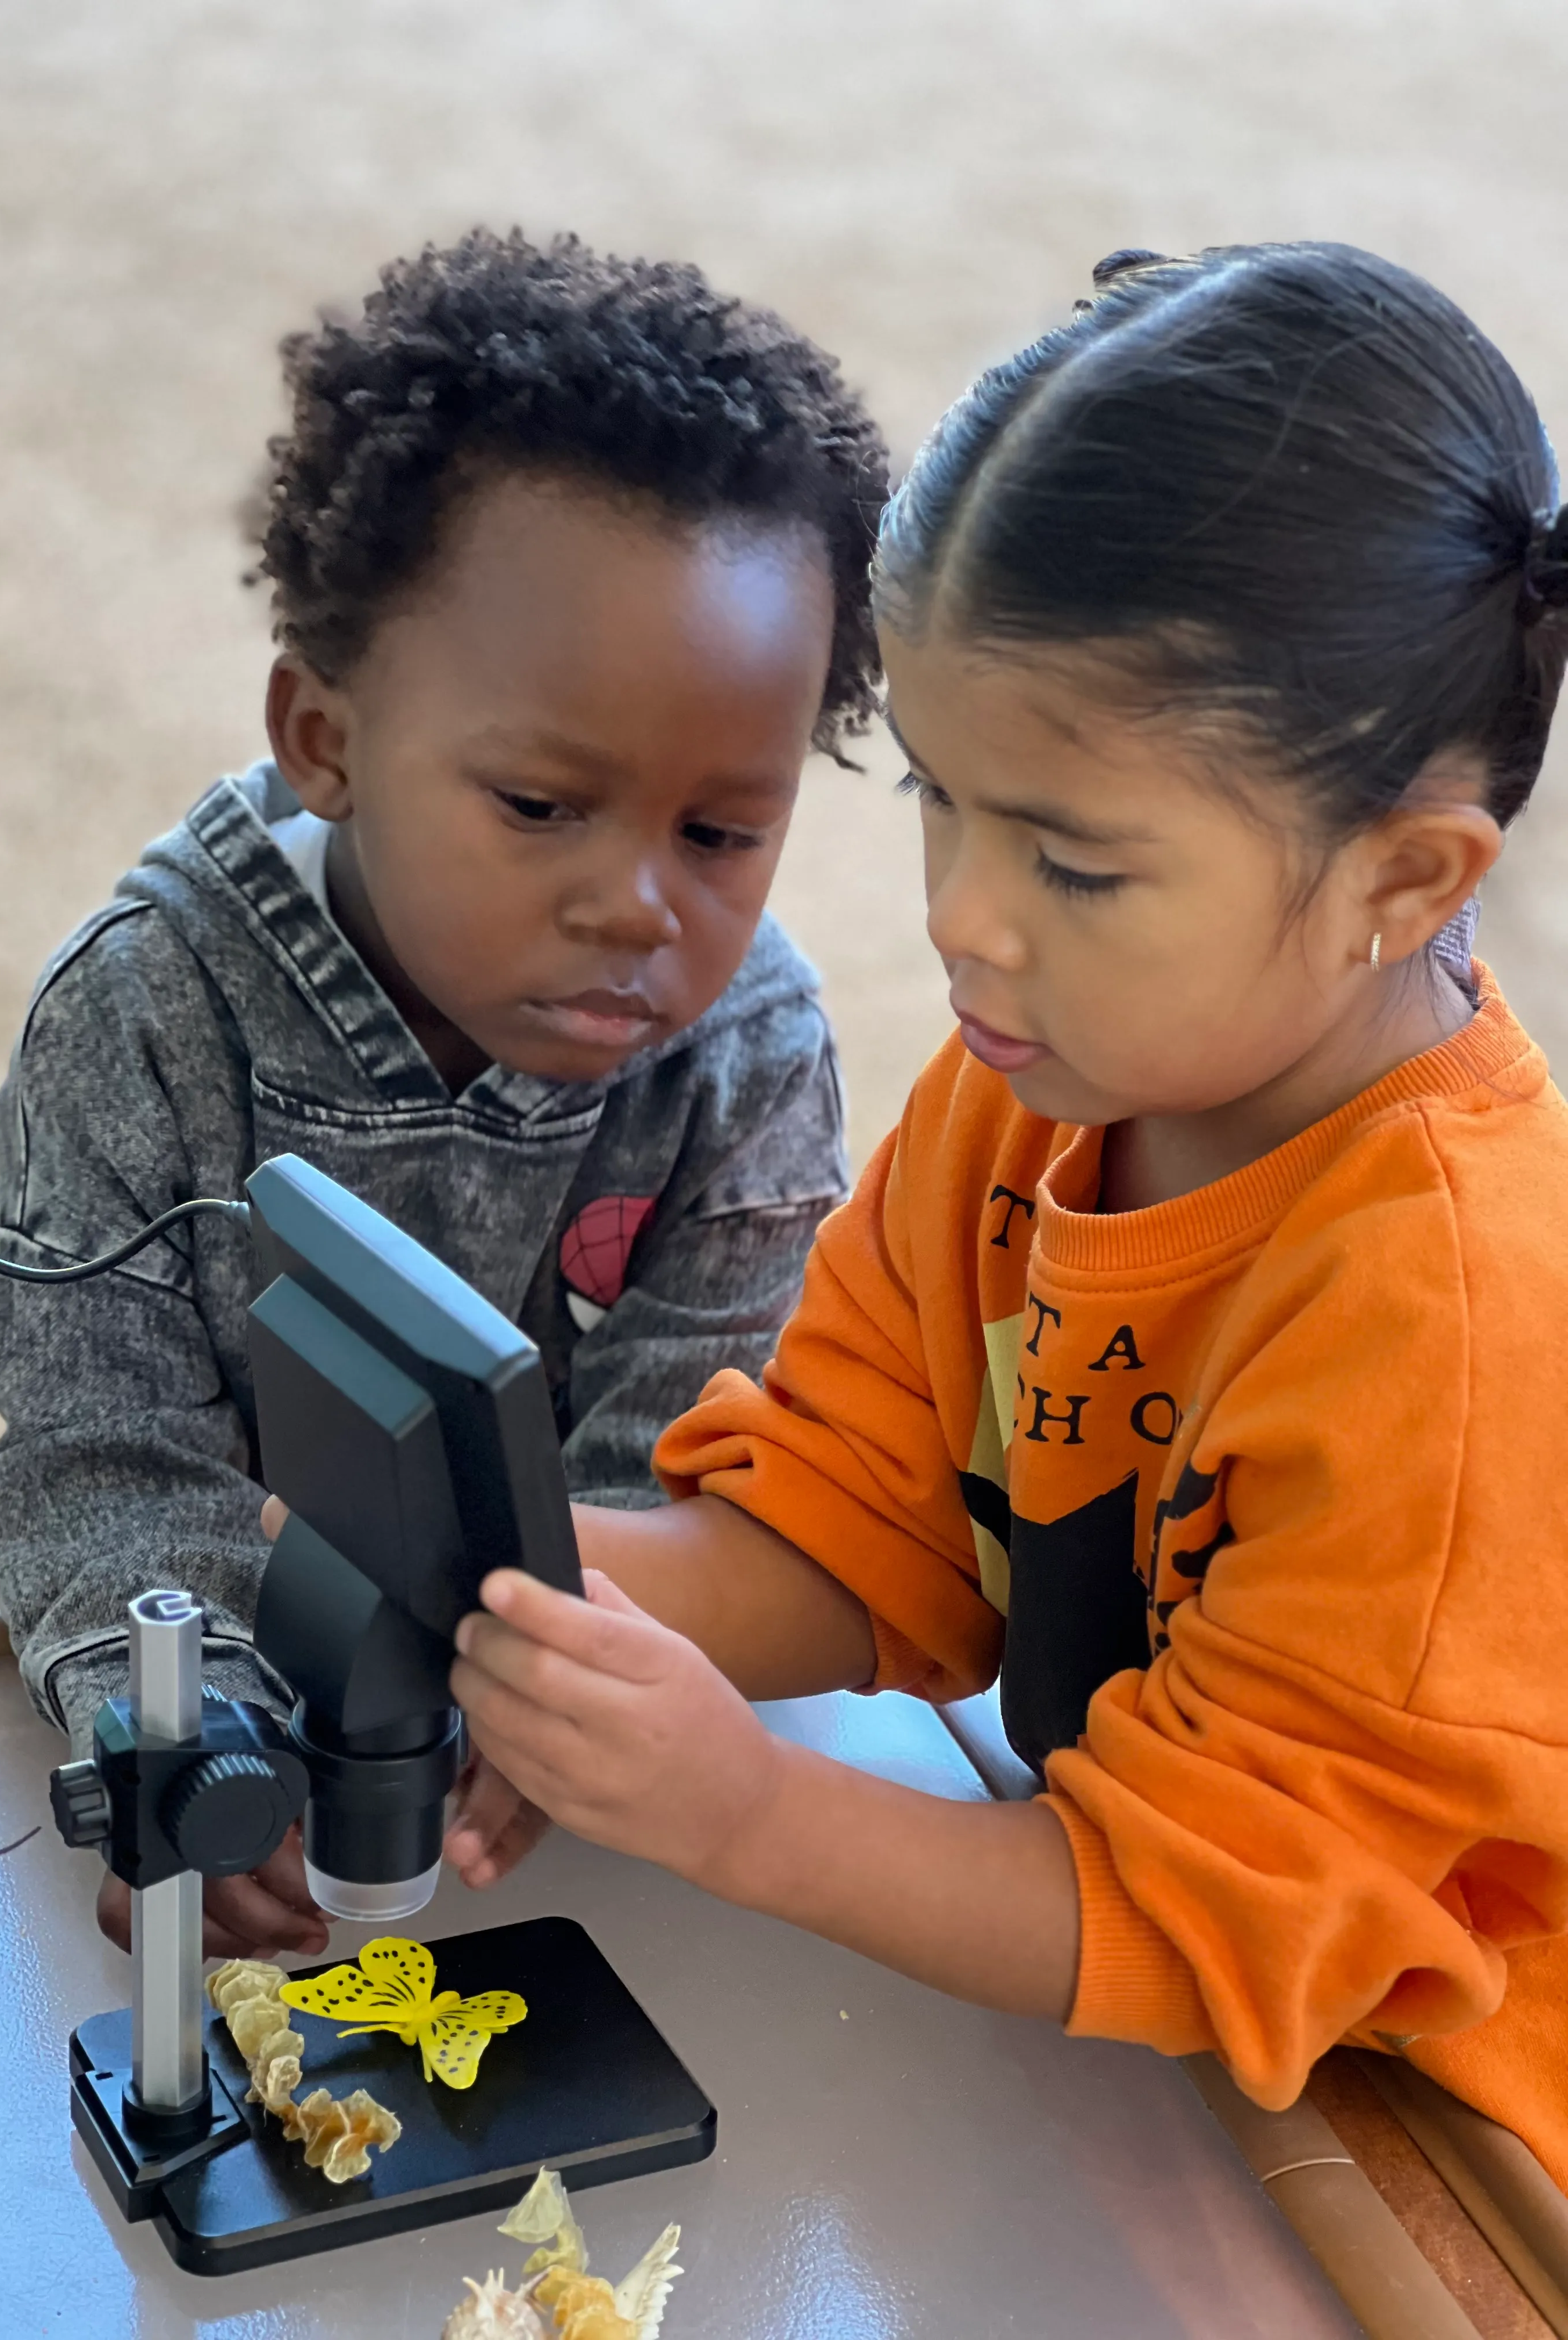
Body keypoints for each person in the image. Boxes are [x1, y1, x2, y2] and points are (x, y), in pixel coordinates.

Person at [443, 243, 1568, 2187]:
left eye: (1076, 862)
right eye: (939, 801)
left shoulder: (1456, 1316)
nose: (965, 913)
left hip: (1440, 2168)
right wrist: (519, 1582)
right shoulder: (1041, 1078)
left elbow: (1199, 1912)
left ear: (1406, 874)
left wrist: (741, 1815)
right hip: (1148, 2061)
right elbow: (868, 1529)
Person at [0, 228, 888, 1957]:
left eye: (722, 832)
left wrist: (580, 1683)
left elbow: (681, 1454)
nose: (639, 905)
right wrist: (184, 1731)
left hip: (543, 1816)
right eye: (542, 805)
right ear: (325, 739)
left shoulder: (747, 1055)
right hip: (236, 1730)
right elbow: (95, 1448)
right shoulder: (148, 1014)